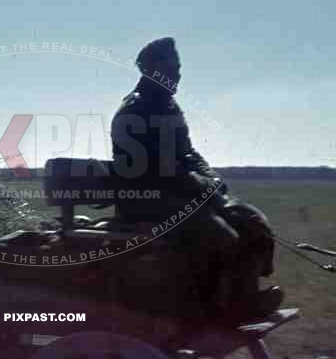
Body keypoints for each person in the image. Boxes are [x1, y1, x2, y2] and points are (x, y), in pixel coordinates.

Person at [110, 37, 283, 322]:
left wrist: (212, 179)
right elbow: (156, 169)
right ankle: (210, 308)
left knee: (252, 221)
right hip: (144, 200)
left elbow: (188, 153)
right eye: (170, 67)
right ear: (151, 69)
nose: (178, 73)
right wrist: (203, 187)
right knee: (220, 235)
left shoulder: (168, 106)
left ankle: (244, 297)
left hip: (178, 194)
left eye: (178, 67)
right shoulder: (136, 109)